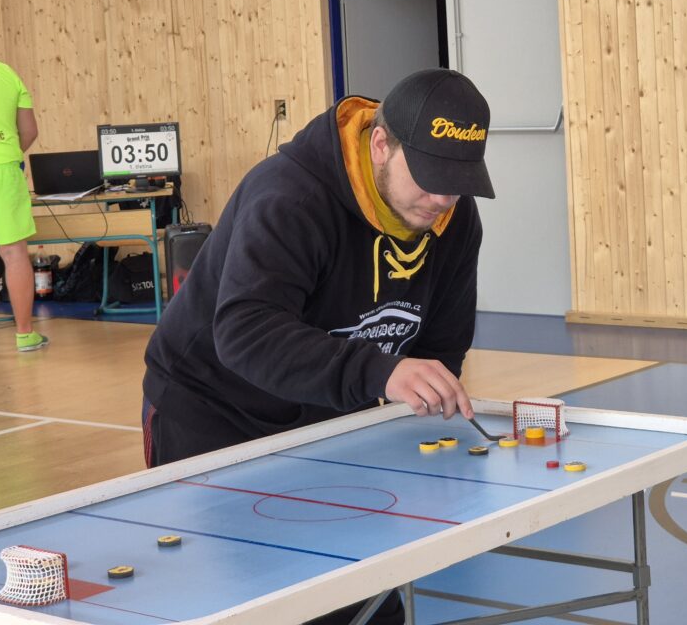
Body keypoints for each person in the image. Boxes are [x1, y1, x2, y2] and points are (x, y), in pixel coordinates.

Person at [142, 68, 495, 625]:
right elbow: (246, 331)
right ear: (381, 145)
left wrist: (421, 409)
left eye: (457, 181)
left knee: (362, 601)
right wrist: (380, 372)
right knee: (245, 600)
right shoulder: (290, 196)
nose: (441, 197)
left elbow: (441, 345)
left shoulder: (453, 218)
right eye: (429, 176)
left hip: (326, 406)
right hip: (212, 408)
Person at [0, 40, 49, 352]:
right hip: (1, 170)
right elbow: (29, 131)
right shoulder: (6, 73)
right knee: (13, 253)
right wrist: (5, 154)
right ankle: (24, 335)